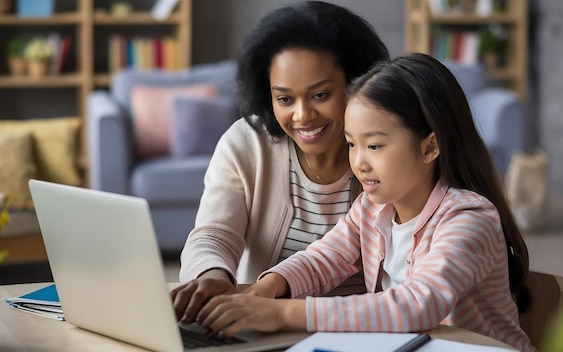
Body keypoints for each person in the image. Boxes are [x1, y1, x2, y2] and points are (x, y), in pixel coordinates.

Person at [191, 53, 535, 352]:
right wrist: (268, 287)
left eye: (374, 146)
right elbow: (323, 258)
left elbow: (418, 305)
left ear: (430, 147)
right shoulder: (374, 209)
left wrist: (283, 314)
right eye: (351, 144)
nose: (359, 163)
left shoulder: (468, 219)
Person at [171, 0, 390, 324]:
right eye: (285, 99)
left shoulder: (387, 149)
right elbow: (214, 233)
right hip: (266, 326)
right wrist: (212, 274)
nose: (302, 116)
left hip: (368, 328)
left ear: (356, 83)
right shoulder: (248, 143)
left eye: (320, 95)